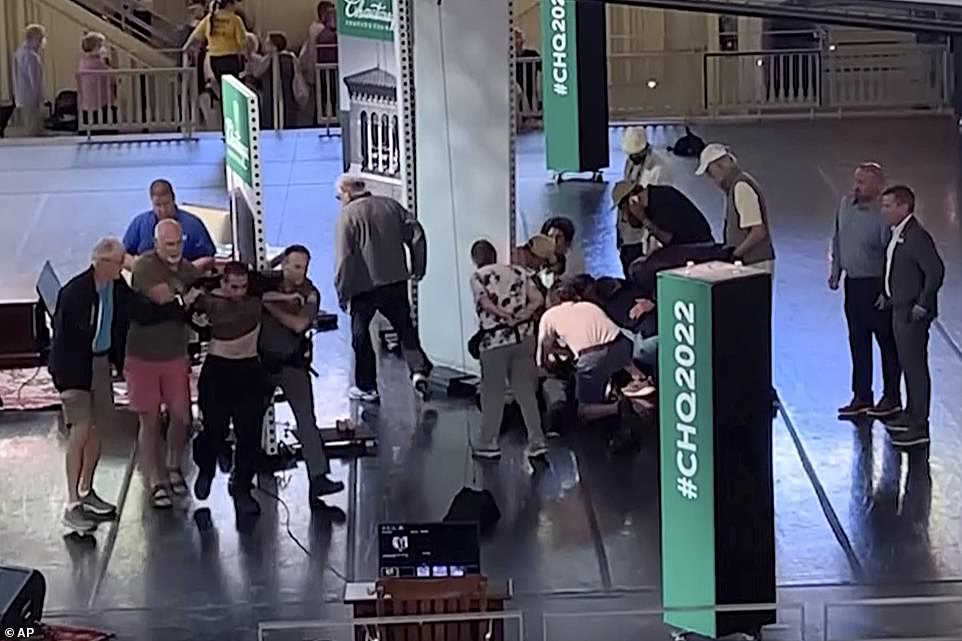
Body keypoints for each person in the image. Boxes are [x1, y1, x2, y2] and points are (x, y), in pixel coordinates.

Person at [49, 238, 183, 533]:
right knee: (81, 430)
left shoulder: (115, 286)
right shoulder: (75, 293)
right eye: (119, 261)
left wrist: (177, 305)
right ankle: (71, 504)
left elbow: (141, 312)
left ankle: (86, 491)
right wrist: (67, 382)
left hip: (98, 364)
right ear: (102, 263)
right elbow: (63, 342)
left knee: (98, 429)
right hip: (73, 368)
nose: (124, 265)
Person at [190, 262, 305, 516]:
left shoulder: (255, 299)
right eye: (233, 286)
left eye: (243, 286)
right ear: (223, 283)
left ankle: (242, 486)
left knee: (249, 433)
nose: (239, 291)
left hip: (249, 370)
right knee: (214, 429)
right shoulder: (210, 301)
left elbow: (269, 293)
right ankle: (206, 468)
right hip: (219, 371)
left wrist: (289, 295)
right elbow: (191, 304)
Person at [334, 176, 433, 402]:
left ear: (346, 192)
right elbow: (417, 235)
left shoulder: (347, 217)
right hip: (395, 281)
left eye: (339, 196)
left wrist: (342, 291)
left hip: (362, 287)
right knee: (405, 327)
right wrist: (418, 267)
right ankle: (418, 371)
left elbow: (344, 259)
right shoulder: (391, 207)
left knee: (360, 335)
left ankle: (367, 386)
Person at [126, 219, 202, 509]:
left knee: (182, 416)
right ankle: (155, 480)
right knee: (150, 420)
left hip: (175, 355)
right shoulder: (145, 267)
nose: (175, 249)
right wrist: (187, 299)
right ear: (156, 244)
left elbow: (197, 291)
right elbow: (163, 299)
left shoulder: (187, 270)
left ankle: (173, 467)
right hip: (143, 357)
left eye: (179, 243)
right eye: (169, 244)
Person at [260, 245, 344, 503]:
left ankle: (318, 478)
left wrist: (270, 305)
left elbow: (299, 324)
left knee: (307, 421)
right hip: (260, 364)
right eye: (296, 266)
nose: (301, 272)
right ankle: (242, 477)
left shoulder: (310, 292)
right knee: (248, 420)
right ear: (284, 265)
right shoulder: (266, 282)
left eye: (305, 267)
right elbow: (251, 275)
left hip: (292, 364)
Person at [829, 163, 901, 419]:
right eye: (856, 180)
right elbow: (837, 237)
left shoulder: (884, 215)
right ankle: (862, 395)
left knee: (886, 343)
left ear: (878, 186)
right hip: (853, 284)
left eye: (862, 182)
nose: (855, 186)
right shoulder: (845, 205)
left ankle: (891, 396)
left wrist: (886, 290)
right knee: (857, 342)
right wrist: (836, 269)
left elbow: (890, 255)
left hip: (876, 285)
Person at [469, 240, 547, 461]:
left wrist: (503, 316)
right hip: (524, 338)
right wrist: (524, 314)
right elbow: (538, 299)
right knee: (525, 391)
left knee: (492, 392)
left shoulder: (478, 277)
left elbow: (484, 302)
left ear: (475, 259)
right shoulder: (519, 272)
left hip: (495, 340)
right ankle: (537, 441)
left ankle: (489, 443)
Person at [879, 186, 944, 448]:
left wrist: (923, 303)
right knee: (907, 364)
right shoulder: (897, 233)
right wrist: (887, 293)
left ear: (904, 207)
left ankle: (920, 424)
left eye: (888, 206)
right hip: (898, 308)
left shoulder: (916, 236)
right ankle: (910, 413)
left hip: (911, 313)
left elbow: (935, 270)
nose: (883, 211)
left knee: (915, 367)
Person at [537, 281, 646, 424]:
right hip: (620, 345)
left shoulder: (549, 316)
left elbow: (542, 355)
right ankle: (641, 381)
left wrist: (546, 368)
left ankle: (618, 408)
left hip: (592, 358)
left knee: (584, 411)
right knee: (620, 363)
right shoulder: (589, 305)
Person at [696, 143, 775, 272]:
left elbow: (758, 232)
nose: (710, 178)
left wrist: (734, 254)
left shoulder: (741, 187)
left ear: (719, 166)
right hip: (750, 264)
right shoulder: (735, 187)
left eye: (710, 172)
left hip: (755, 264)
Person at [611, 180, 715, 272]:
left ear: (632, 200)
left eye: (623, 208)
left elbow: (669, 239)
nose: (624, 217)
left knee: (640, 269)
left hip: (700, 247)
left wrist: (644, 219)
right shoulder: (654, 200)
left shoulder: (661, 202)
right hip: (691, 246)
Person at [123, 179, 216, 272]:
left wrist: (189, 271)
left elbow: (209, 258)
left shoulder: (193, 224)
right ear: (151, 202)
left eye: (166, 204)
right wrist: (139, 268)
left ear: (173, 199)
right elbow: (123, 255)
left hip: (184, 279)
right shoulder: (140, 223)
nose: (163, 209)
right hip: (148, 280)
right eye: (158, 205)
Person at [188, 0, 248, 100]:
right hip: (230, 58)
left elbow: (195, 35)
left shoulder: (209, 19)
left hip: (214, 59)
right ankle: (232, 112)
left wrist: (185, 48)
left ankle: (224, 110)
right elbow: (242, 42)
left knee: (222, 89)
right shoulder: (235, 20)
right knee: (233, 90)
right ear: (229, 4)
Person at [77, 32, 118, 129]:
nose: (103, 49)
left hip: (87, 104)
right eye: (101, 46)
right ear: (96, 48)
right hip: (101, 104)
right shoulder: (97, 64)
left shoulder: (83, 62)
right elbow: (113, 77)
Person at [13, 24, 46, 137]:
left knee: (29, 125)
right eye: (40, 39)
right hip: (31, 97)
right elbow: (34, 80)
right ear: (34, 38)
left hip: (22, 95)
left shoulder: (19, 52)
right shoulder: (31, 56)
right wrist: (40, 97)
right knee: (34, 128)